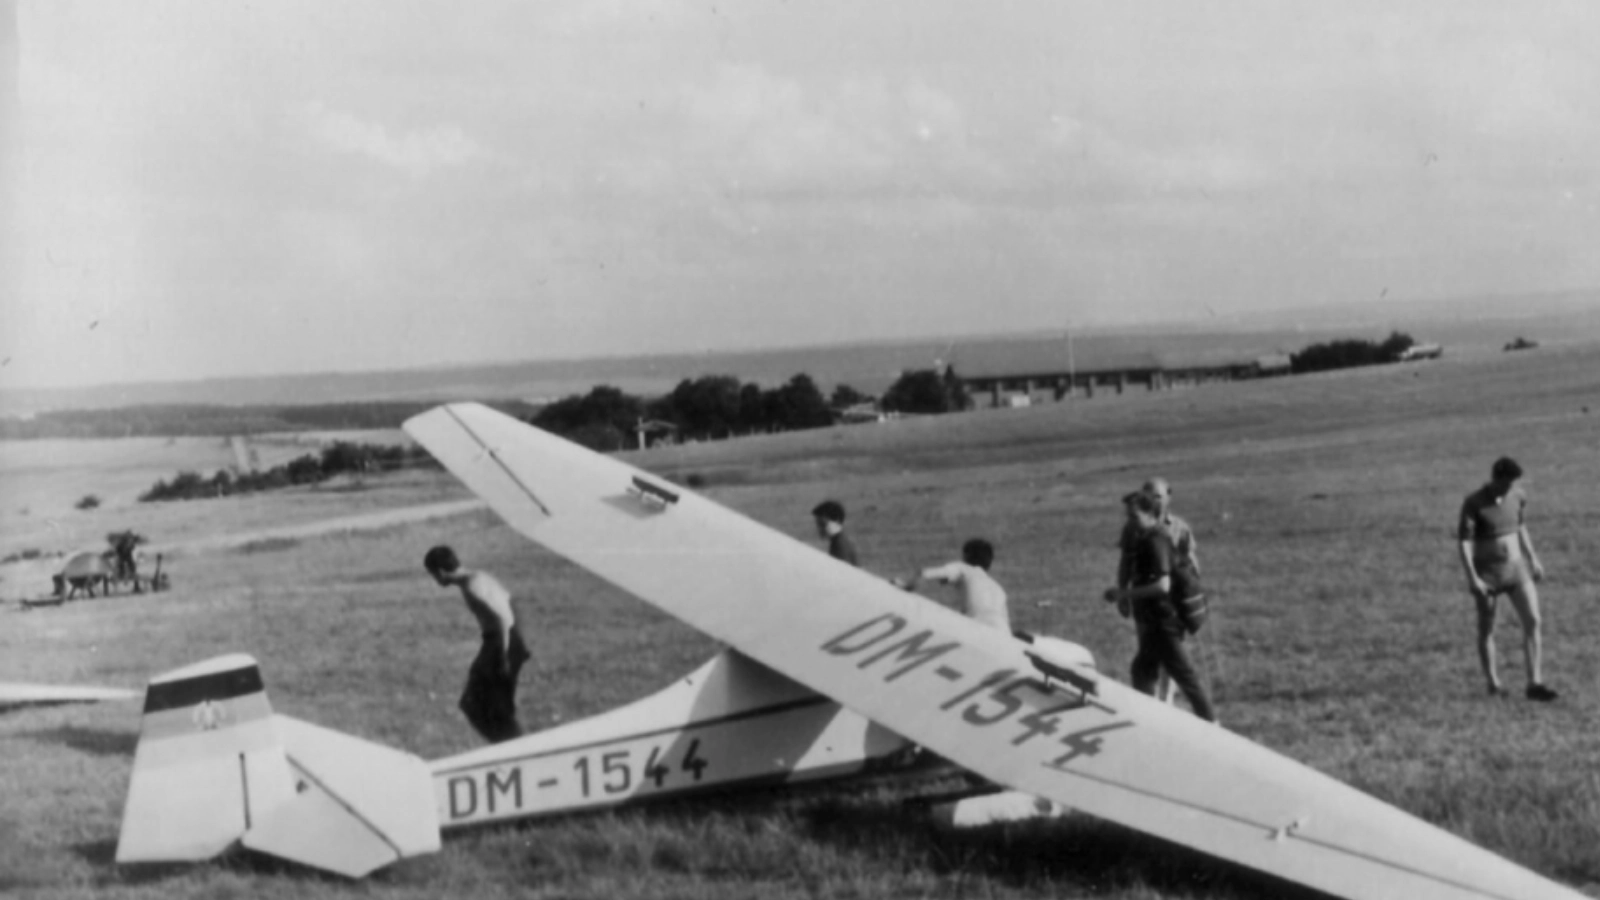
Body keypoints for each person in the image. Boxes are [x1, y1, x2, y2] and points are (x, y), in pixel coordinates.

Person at [1104, 491, 1216, 722]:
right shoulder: (1147, 537)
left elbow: (1163, 585)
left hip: (1164, 621)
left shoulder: (1156, 540)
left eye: (1134, 516)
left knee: (1184, 675)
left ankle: (1212, 723)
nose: (1130, 521)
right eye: (1128, 516)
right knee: (1142, 671)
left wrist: (1124, 593)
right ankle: (1148, 718)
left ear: (1150, 514)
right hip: (1154, 620)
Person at [1457, 457, 1555, 701]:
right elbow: (1464, 542)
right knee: (1487, 627)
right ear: (1496, 478)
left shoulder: (1518, 496)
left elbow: (1520, 526)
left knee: (1533, 620)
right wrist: (1473, 578)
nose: (1512, 487)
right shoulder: (1474, 503)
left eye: (1514, 483)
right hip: (1487, 573)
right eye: (1508, 482)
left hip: (1516, 568)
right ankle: (1494, 684)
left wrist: (1533, 558)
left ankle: (1535, 683)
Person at [424, 545, 534, 741]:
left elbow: (503, 618)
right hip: (503, 641)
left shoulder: (472, 586)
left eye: (433, 575)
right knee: (488, 705)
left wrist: (504, 655)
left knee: (476, 705)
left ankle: (513, 747)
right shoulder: (478, 577)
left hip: (500, 643)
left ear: (440, 572)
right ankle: (511, 745)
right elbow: (510, 602)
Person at [1114, 478, 1197, 701]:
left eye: (1158, 497)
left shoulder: (1179, 528)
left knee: (1173, 650)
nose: (1154, 501)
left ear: (1168, 498)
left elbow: (1191, 563)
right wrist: (1123, 593)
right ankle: (1148, 698)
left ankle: (1167, 696)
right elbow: (1125, 562)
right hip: (1145, 600)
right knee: (1147, 650)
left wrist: (1192, 596)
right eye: (1149, 496)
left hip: (1173, 602)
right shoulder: (1132, 527)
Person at [894, 538, 1011, 633]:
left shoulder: (963, 568)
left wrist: (906, 586)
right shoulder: (999, 589)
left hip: (977, 628)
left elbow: (925, 574)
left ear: (967, 556)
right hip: (1002, 633)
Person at [812, 500, 860, 567]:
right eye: (818, 525)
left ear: (837, 521)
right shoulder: (841, 541)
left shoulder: (839, 546)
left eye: (823, 524)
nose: (820, 529)